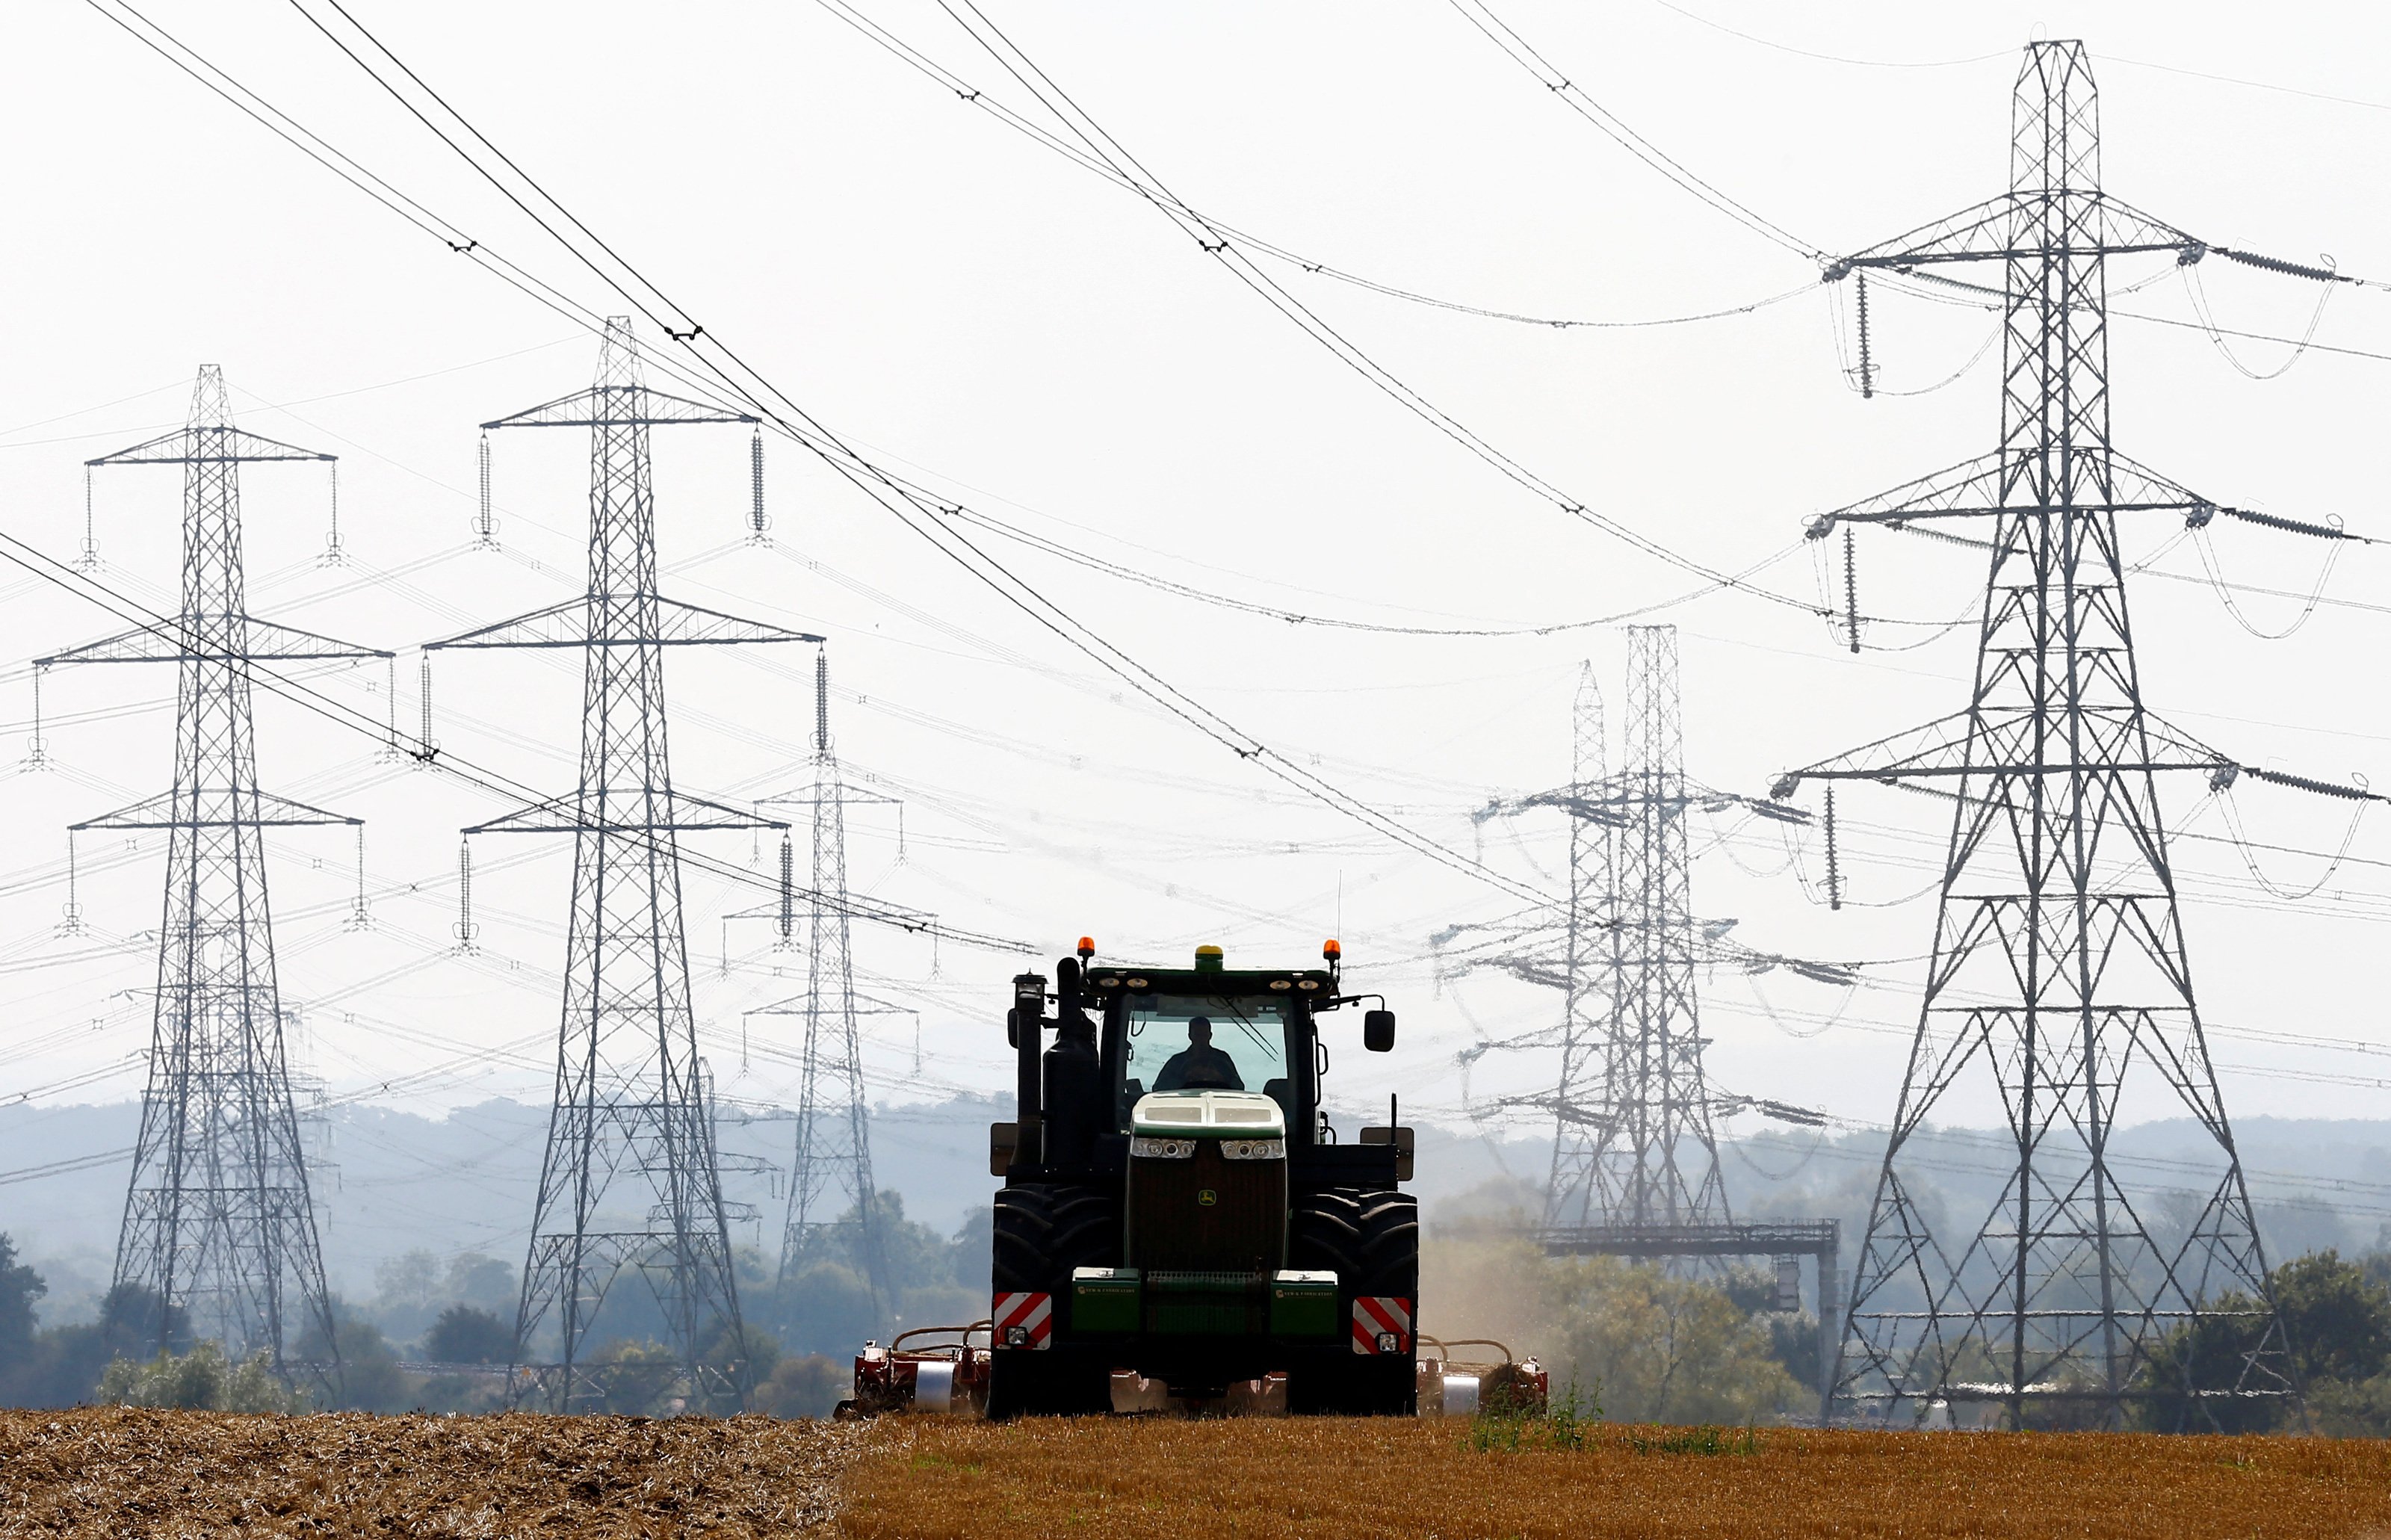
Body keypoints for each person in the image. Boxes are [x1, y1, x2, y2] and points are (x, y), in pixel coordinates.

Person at [1154, 1015, 1243, 1092]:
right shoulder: (1177, 1062)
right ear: (1190, 1036)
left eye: (1204, 1034)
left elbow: (1239, 1087)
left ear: (1210, 1035)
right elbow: (1158, 1089)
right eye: (1197, 1035)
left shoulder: (1223, 1059)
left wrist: (1220, 1078)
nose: (1201, 1039)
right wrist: (1184, 1079)